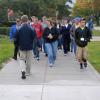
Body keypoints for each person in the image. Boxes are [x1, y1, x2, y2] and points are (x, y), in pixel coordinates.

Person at [15, 15, 37, 79]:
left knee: (21, 59)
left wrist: (17, 46)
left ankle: (23, 71)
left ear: (21, 20)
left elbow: (16, 39)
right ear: (27, 20)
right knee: (29, 60)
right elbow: (34, 38)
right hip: (29, 46)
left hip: (21, 47)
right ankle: (28, 72)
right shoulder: (31, 28)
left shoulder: (19, 29)